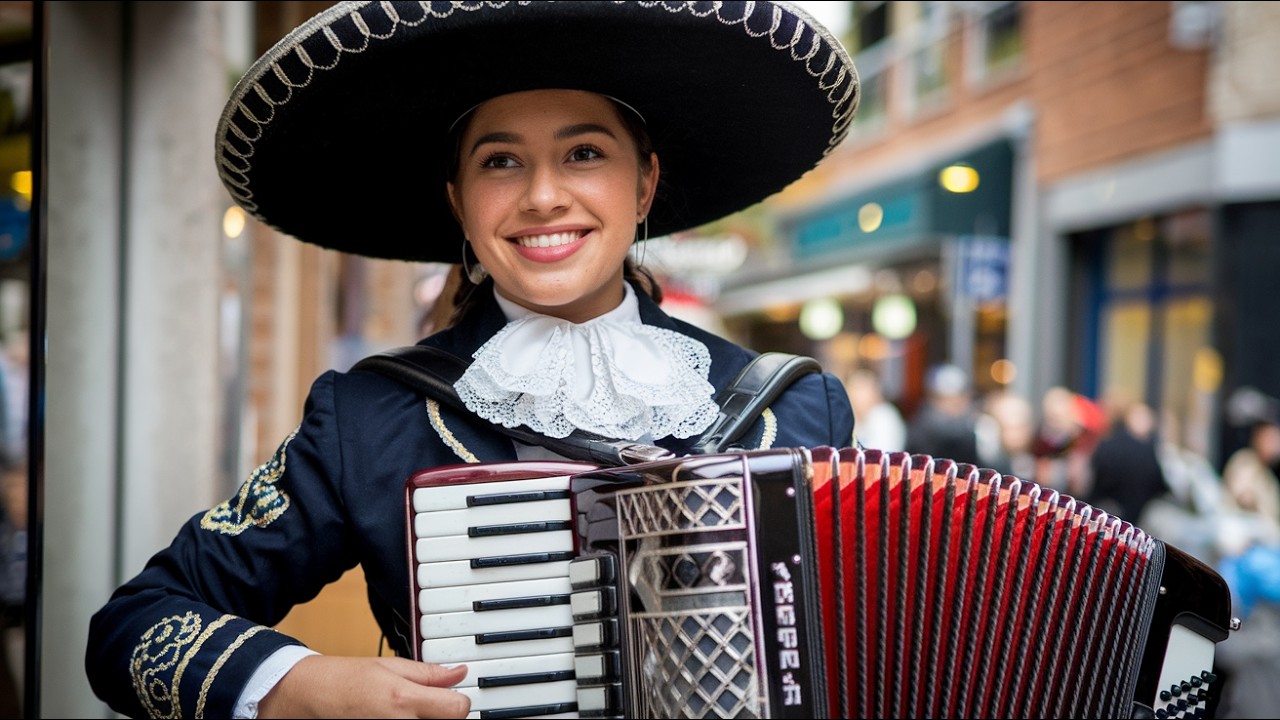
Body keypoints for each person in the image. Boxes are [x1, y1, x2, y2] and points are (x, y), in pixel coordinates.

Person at [84, 3, 860, 719]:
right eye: (499, 162)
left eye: (585, 153)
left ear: (644, 181)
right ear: (458, 200)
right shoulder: (367, 417)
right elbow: (133, 626)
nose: (544, 196)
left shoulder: (794, 407)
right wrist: (303, 684)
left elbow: (859, 641)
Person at [846, 366, 906, 452]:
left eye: (863, 387)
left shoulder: (884, 416)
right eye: (854, 387)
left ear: (877, 391)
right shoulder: (849, 418)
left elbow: (878, 457)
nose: (857, 394)